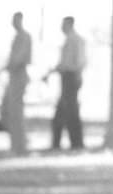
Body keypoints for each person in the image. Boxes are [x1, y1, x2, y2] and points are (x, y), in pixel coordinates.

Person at [0, 11, 32, 154]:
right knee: (8, 110)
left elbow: (19, 59)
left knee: (16, 112)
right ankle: (17, 144)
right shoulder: (17, 37)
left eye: (16, 20)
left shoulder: (25, 37)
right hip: (13, 77)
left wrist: (8, 67)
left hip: (19, 76)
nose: (14, 23)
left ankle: (20, 145)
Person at [43, 16, 86, 150]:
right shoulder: (69, 40)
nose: (62, 27)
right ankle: (57, 143)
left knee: (71, 111)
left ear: (70, 24)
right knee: (62, 111)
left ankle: (76, 143)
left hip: (71, 78)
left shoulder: (75, 40)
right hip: (67, 77)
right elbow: (63, 63)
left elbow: (76, 62)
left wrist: (77, 76)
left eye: (64, 24)